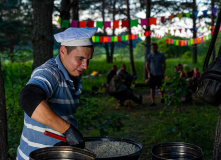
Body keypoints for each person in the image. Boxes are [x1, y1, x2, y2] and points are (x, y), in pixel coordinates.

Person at [17, 27, 98, 159]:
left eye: (88, 60)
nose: (86, 66)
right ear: (63, 51)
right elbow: (28, 97)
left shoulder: (72, 74)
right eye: (80, 59)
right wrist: (68, 130)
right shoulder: (49, 72)